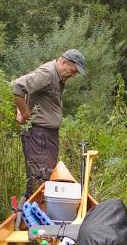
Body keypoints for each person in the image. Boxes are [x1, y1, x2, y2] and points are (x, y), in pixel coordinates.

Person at [12, 49, 86, 198]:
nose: (73, 75)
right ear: (64, 62)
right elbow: (18, 87)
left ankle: (38, 214)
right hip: (39, 136)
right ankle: (33, 217)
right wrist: (25, 113)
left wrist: (21, 110)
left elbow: (29, 91)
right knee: (39, 181)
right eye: (73, 71)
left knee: (45, 179)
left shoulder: (57, 76)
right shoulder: (48, 73)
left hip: (46, 136)